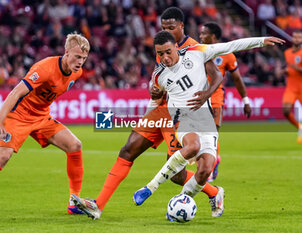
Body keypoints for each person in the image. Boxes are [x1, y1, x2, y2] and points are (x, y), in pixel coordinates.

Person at [70, 7, 225, 219]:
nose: (167, 31)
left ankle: (215, 192)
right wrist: (152, 90)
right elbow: (158, 79)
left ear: (181, 26)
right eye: (164, 28)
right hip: (159, 110)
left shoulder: (196, 49)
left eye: (171, 28)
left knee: (177, 176)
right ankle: (98, 205)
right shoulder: (162, 46)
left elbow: (216, 75)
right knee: (128, 150)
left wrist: (205, 96)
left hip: (179, 116)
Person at [132, 32, 284, 216]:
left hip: (206, 121)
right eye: (160, 54)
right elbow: (155, 101)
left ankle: (181, 203)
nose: (165, 58)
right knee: (193, 146)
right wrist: (144, 122)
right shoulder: (159, 76)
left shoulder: (197, 52)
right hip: (182, 119)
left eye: (168, 52)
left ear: (176, 48)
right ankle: (150, 187)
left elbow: (231, 46)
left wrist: (260, 41)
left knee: (205, 171)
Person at [0, 33, 90, 218]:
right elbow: (15, 92)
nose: (80, 62)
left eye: (84, 58)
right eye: (77, 57)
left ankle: (74, 202)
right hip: (18, 116)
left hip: (41, 118)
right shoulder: (45, 68)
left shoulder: (76, 73)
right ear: (66, 52)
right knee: (3, 157)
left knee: (75, 145)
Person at [199, 22, 252, 181]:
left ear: (213, 36)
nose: (200, 36)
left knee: (212, 134)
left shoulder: (227, 54)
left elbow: (237, 79)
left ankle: (210, 166)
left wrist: (246, 100)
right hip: (198, 99)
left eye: (204, 34)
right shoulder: (197, 51)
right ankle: (213, 160)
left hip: (215, 99)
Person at [282, 30, 302, 143]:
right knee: (285, 110)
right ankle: (299, 127)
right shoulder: (287, 53)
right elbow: (290, 68)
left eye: (299, 37)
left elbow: (295, 67)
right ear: (292, 38)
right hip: (291, 86)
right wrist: (286, 71)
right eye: (295, 37)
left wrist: (297, 68)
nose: (297, 39)